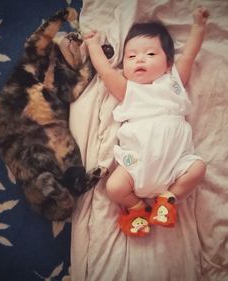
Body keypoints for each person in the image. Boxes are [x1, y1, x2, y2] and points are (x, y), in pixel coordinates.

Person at [84, 6, 209, 237]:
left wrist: (198, 26)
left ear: (168, 63)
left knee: (198, 168)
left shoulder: (173, 83)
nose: (140, 59)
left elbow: (189, 55)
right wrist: (93, 45)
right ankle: (136, 207)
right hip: (136, 165)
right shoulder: (128, 90)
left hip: (175, 165)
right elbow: (105, 72)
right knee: (114, 187)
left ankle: (168, 199)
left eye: (151, 54)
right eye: (131, 57)